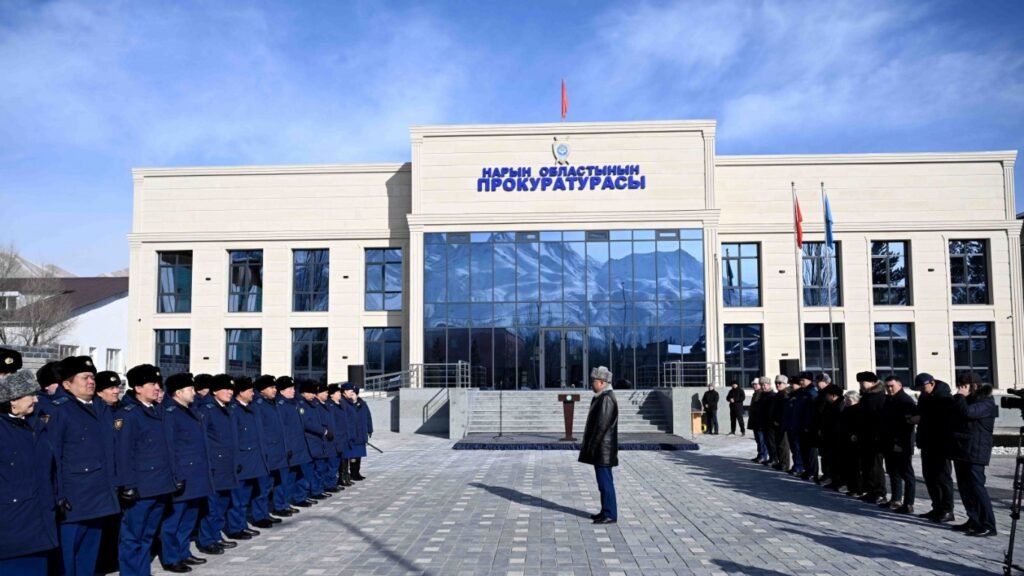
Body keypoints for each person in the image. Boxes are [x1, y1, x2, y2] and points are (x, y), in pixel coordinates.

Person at [46, 355, 120, 576]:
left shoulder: (101, 407)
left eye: (93, 377)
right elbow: (53, 456)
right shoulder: (58, 410)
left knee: (89, 551)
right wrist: (58, 494)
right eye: (85, 377)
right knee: (68, 553)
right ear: (67, 384)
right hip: (74, 496)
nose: (91, 382)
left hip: (100, 493)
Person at [115, 363, 179, 576]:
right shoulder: (128, 414)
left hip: (160, 484)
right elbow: (123, 452)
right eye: (152, 384)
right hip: (141, 488)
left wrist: (175, 477)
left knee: (147, 536)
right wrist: (127, 484)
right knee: (132, 536)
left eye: (158, 383)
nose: (157, 388)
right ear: (138, 388)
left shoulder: (158, 410)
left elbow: (169, 448)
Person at [0, 369, 59, 576]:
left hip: (39, 518)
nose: (36, 399)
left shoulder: (36, 425)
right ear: (13, 400)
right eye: (30, 395)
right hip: (12, 524)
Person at [159, 373, 212, 572]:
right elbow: (170, 447)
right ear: (178, 392)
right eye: (190, 389)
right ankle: (171, 557)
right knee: (174, 520)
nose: (194, 392)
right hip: (182, 474)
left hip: (196, 473)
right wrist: (176, 476)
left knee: (189, 517)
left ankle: (183, 552)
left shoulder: (190, 410)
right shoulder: (170, 413)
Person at [196, 374, 240, 555]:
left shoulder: (226, 408)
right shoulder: (206, 409)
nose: (230, 392)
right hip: (214, 465)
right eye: (226, 389)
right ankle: (207, 539)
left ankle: (216, 535)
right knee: (212, 506)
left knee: (222, 503)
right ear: (215, 391)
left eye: (231, 389)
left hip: (227, 464)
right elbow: (203, 439)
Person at [951, 372, 998, 537]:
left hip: (976, 450)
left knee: (977, 488)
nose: (961, 389)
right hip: (962, 449)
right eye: (960, 386)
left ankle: (988, 524)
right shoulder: (966, 400)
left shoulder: (986, 402)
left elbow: (968, 413)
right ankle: (974, 519)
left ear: (974, 386)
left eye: (964, 386)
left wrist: (960, 397)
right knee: (965, 488)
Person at [227, 376, 270, 535]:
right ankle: (235, 527)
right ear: (241, 392)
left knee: (248, 495)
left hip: (255, 458)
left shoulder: (253, 408)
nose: (253, 393)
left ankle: (242, 524)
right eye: (250, 391)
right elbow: (234, 438)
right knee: (238, 497)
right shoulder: (234, 410)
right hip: (243, 459)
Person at [913, 373, 955, 523]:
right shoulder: (924, 396)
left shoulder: (944, 397)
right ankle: (936, 507)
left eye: (923, 387)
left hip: (941, 443)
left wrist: (922, 418)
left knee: (942, 477)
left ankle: (947, 510)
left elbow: (943, 419)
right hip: (927, 442)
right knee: (929, 477)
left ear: (932, 383)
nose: (922, 390)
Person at [579, 366, 618, 524]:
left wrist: (592, 446)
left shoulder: (606, 398)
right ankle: (605, 511)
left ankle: (610, 513)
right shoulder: (601, 397)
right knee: (602, 483)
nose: (591, 384)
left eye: (594, 381)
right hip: (602, 449)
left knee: (605, 482)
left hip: (603, 449)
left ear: (602, 382)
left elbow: (602, 426)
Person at [252, 375, 290, 519]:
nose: (275, 390)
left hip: (279, 451)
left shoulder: (274, 403)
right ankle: (260, 516)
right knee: (263, 487)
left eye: (275, 387)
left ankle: (275, 508)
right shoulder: (258, 405)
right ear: (262, 390)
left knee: (276, 482)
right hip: (268, 452)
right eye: (271, 387)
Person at [274, 376, 315, 508]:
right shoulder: (280, 405)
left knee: (299, 475)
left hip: (299, 445)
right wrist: (288, 447)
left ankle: (299, 497)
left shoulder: (294, 403)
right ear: (281, 391)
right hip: (289, 448)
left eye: (293, 388)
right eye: (290, 388)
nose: (293, 391)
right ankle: (281, 504)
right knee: (286, 479)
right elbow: (283, 430)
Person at [880, 375, 916, 513]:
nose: (889, 389)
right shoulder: (889, 399)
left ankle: (909, 503)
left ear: (899, 386)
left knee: (907, 474)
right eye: (887, 386)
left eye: (892, 386)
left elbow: (907, 426)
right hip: (888, 442)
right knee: (893, 472)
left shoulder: (905, 401)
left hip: (901, 443)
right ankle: (895, 499)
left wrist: (899, 443)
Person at [856, 371, 887, 504]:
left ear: (872, 382)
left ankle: (879, 492)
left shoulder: (879, 396)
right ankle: (870, 490)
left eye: (863, 383)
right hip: (865, 436)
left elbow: (879, 418)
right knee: (867, 466)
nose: (861, 385)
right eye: (860, 383)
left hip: (875, 437)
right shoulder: (866, 396)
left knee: (876, 466)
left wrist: (878, 435)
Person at [344, 384, 373, 481]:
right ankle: (350, 473)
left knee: (358, 455)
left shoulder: (363, 404)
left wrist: (370, 429)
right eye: (351, 393)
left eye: (354, 394)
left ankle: (356, 472)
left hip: (361, 434)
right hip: (352, 435)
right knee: (351, 456)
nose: (352, 395)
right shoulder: (347, 405)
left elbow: (368, 417)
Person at [839, 390, 863, 497]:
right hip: (846, 440)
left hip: (854, 441)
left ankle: (858, 488)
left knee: (856, 466)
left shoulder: (857, 410)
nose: (846, 401)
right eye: (846, 399)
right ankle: (851, 487)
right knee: (849, 466)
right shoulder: (846, 409)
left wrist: (855, 434)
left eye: (848, 399)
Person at [327, 383, 351, 490]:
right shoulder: (330, 406)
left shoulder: (341, 404)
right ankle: (331, 484)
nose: (339, 394)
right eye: (337, 392)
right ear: (331, 394)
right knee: (333, 463)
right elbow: (332, 423)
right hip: (336, 438)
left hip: (343, 437)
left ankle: (336, 481)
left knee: (338, 462)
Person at [769, 375, 791, 471]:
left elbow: (785, 411)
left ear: (785, 384)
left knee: (783, 445)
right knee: (778, 444)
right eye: (776, 383)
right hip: (776, 423)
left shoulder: (785, 394)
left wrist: (780, 421)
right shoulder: (778, 394)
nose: (777, 385)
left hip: (782, 424)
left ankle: (785, 464)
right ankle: (781, 462)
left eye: (779, 383)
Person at [755, 377, 776, 465]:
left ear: (769, 385)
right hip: (763, 423)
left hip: (770, 423)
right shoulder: (762, 395)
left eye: (765, 385)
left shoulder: (772, 396)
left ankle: (774, 459)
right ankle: (771, 458)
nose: (763, 387)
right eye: (762, 385)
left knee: (772, 442)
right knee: (766, 442)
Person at [747, 379, 764, 462]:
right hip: (755, 420)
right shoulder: (755, 394)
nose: (754, 386)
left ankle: (763, 455)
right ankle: (760, 454)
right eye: (753, 384)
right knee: (758, 439)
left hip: (759, 421)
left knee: (761, 440)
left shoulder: (761, 394)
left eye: (756, 384)